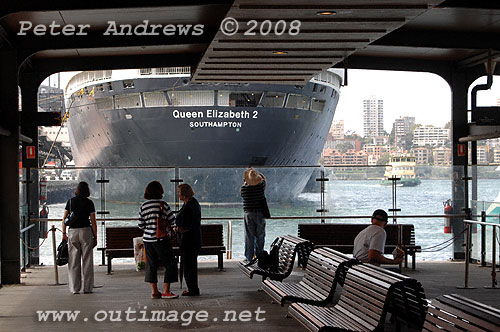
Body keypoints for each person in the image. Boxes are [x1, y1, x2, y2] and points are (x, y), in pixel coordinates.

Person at [138, 181, 179, 299]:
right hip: (161, 239)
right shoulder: (163, 205)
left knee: (151, 265)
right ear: (160, 191)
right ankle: (166, 290)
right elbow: (172, 220)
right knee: (170, 264)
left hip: (147, 240)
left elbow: (141, 225)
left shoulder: (143, 206)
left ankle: (154, 291)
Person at [62, 181, 97, 294]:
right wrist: (95, 236)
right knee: (87, 260)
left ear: (77, 189)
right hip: (86, 231)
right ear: (87, 190)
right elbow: (93, 221)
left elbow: (64, 219)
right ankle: (87, 288)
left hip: (73, 232)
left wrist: (63, 233)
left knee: (73, 261)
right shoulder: (89, 203)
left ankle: (74, 288)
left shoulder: (71, 201)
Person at [175, 184, 201, 296]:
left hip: (189, 240)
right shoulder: (191, 203)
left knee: (189, 266)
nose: (178, 194)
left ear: (183, 193)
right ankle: (192, 288)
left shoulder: (189, 206)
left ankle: (192, 289)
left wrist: (178, 229)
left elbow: (187, 225)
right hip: (192, 239)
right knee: (190, 265)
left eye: (179, 192)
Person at [241, 167, 268, 262]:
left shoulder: (243, 189)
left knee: (249, 236)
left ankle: (249, 257)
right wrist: (256, 173)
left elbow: (245, 184)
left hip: (248, 214)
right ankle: (259, 255)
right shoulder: (260, 187)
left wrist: (248, 177)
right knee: (260, 235)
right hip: (260, 214)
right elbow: (264, 179)